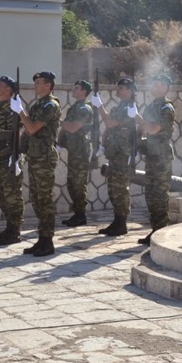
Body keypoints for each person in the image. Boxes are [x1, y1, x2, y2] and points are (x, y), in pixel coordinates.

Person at [15, 71, 61, 257]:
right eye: (35, 82)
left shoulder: (51, 105)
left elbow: (32, 128)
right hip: (34, 156)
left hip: (43, 157)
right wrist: (19, 152)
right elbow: (26, 130)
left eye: (39, 82)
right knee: (36, 199)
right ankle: (41, 239)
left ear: (48, 86)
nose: (35, 85)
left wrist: (20, 112)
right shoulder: (37, 105)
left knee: (44, 200)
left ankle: (48, 241)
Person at [134, 74, 176, 246]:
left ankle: (161, 233)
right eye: (154, 83)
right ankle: (155, 230)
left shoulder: (166, 108)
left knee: (159, 196)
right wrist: (136, 145)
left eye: (159, 84)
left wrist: (136, 116)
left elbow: (152, 129)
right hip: (151, 155)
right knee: (150, 195)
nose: (155, 87)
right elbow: (142, 130)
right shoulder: (151, 106)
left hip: (161, 157)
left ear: (166, 88)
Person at [92, 78, 137, 237]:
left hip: (123, 154)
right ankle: (116, 221)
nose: (118, 89)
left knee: (120, 189)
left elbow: (110, 123)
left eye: (122, 87)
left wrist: (100, 107)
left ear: (129, 91)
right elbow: (108, 129)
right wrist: (102, 145)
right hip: (114, 152)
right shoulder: (119, 107)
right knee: (112, 189)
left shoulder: (130, 108)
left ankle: (122, 223)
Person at [0, 76, 25, 246]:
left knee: (13, 195)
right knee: (1, 193)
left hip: (11, 154)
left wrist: (15, 156)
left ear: (9, 90)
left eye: (0, 86)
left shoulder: (15, 106)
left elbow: (21, 131)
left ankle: (15, 230)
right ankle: (9, 227)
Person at [59, 80, 94, 227]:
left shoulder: (85, 109)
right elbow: (65, 128)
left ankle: (81, 215)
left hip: (81, 150)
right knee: (72, 183)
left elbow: (73, 128)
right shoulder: (73, 108)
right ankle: (77, 214)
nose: (73, 89)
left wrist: (58, 121)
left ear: (84, 92)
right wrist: (59, 143)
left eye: (77, 88)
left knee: (78, 184)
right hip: (73, 150)